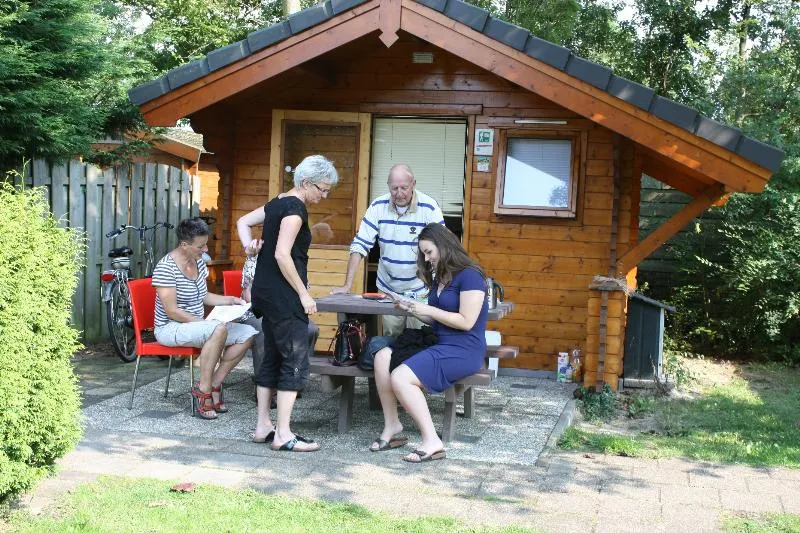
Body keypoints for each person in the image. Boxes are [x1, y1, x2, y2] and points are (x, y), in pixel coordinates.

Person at [237, 154, 339, 452]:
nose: (325, 195)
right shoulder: (295, 210)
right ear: (306, 183)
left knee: (272, 356)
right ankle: (283, 434)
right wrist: (304, 294)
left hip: (264, 292)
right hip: (283, 295)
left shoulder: (277, 202)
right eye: (322, 188)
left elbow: (243, 222)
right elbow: (283, 254)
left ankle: (262, 426)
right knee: (294, 357)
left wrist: (249, 246)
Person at [369, 223, 488, 463]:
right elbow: (436, 317)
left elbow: (466, 322)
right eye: (423, 253)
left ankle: (432, 441)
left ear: (444, 246)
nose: (426, 258)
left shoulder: (471, 277)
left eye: (429, 252)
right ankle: (392, 426)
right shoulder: (442, 276)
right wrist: (411, 308)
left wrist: (427, 308)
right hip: (439, 340)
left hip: (464, 349)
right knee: (382, 357)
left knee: (401, 377)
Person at [152, 217, 257, 420]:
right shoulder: (165, 268)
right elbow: (172, 311)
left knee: (248, 333)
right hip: (170, 328)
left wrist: (231, 300)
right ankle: (204, 390)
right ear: (184, 245)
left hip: (196, 327)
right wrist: (205, 323)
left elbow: (204, 296)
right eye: (200, 246)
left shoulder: (198, 263)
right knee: (218, 329)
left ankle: (215, 383)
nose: (205, 249)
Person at [331, 164, 445, 336]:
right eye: (394, 188)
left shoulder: (429, 207)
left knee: (419, 338)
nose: (399, 193)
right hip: (388, 290)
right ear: (388, 186)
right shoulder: (378, 206)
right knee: (391, 339)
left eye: (404, 188)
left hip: (421, 289)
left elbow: (442, 246)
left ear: (413, 184)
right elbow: (360, 244)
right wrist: (347, 285)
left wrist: (441, 286)